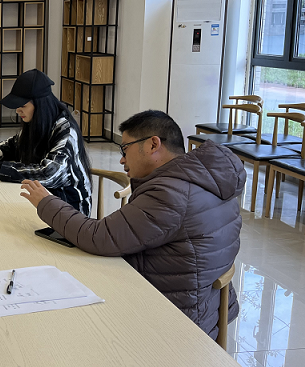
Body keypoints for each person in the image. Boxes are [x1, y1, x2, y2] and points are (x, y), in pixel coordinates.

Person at [20, 110, 244, 340]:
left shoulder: (171, 193)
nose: (122, 159)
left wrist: (46, 203)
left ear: (153, 144)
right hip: (203, 305)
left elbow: (99, 237)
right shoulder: (206, 179)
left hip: (175, 319)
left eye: (125, 149)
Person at [0, 69, 92, 216]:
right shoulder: (37, 121)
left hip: (69, 210)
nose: (17, 111)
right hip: (42, 199)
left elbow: (48, 174)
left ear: (40, 104)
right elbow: (15, 145)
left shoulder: (66, 131)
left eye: (23, 106)